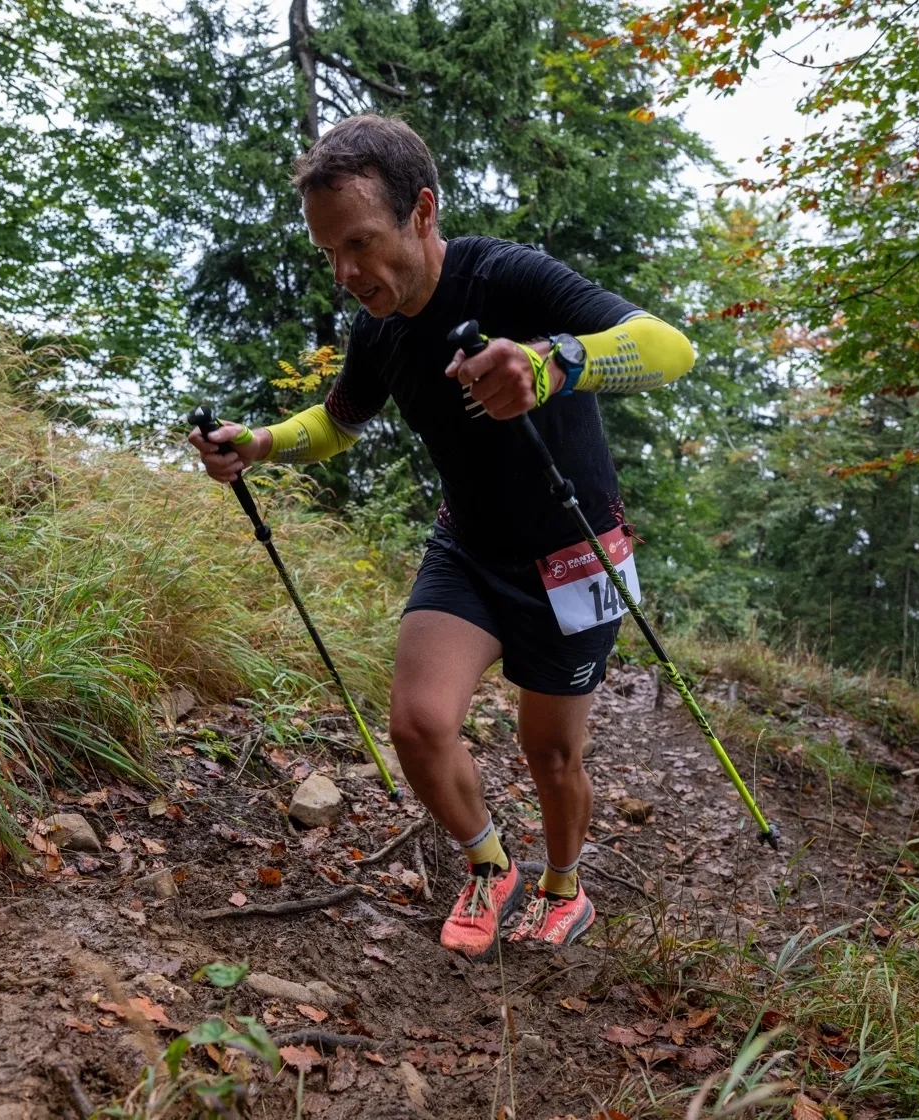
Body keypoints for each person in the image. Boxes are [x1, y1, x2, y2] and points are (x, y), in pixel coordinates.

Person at [188, 115, 698, 956]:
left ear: (421, 213)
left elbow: (668, 348)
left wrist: (549, 364)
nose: (348, 273)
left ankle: (565, 888)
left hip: (573, 554)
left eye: (361, 242)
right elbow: (341, 419)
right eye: (330, 254)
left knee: (552, 752)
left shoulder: (510, 278)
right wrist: (265, 443)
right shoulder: (379, 328)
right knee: (420, 725)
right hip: (468, 547)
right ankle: (490, 866)